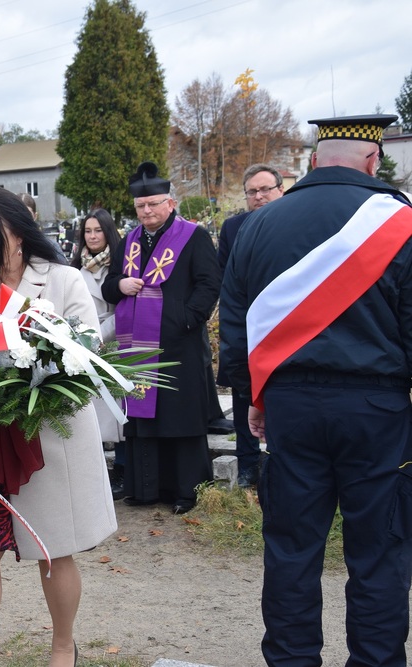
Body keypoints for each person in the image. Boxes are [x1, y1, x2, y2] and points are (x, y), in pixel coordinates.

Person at [221, 114, 412, 667]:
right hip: (377, 409)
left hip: (290, 408)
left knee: (290, 550)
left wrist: (254, 400)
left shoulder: (257, 225)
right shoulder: (400, 223)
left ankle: (292, 659)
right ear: (372, 161)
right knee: (379, 553)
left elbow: (236, 328)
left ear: (310, 162)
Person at [0, 187, 116, 667]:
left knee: (53, 551)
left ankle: (63, 645)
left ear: (18, 234)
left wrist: (38, 370)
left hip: (49, 438)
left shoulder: (65, 280)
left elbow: (89, 355)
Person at [101, 162, 220, 514]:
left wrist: (186, 319)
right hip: (137, 346)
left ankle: (186, 490)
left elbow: (210, 283)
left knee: (179, 419)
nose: (147, 211)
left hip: (179, 345)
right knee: (145, 419)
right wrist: (120, 285)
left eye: (153, 204)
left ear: (170, 203)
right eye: (141, 206)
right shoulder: (129, 241)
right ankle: (147, 487)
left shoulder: (193, 236)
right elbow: (111, 282)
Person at [215, 164, 284, 487]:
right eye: (252, 192)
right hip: (246, 324)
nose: (259, 196)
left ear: (280, 190)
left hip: (285, 324)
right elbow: (226, 276)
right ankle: (247, 464)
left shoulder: (292, 221)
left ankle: (280, 460)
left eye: (265, 189)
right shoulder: (233, 227)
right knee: (244, 395)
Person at [70, 209, 125, 496]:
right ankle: (98, 471)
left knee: (118, 413)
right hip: (83, 344)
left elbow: (121, 309)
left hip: (111, 342)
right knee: (92, 412)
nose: (92, 236)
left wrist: (98, 335)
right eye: (88, 231)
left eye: (98, 231)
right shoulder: (76, 270)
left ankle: (122, 470)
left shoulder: (117, 266)